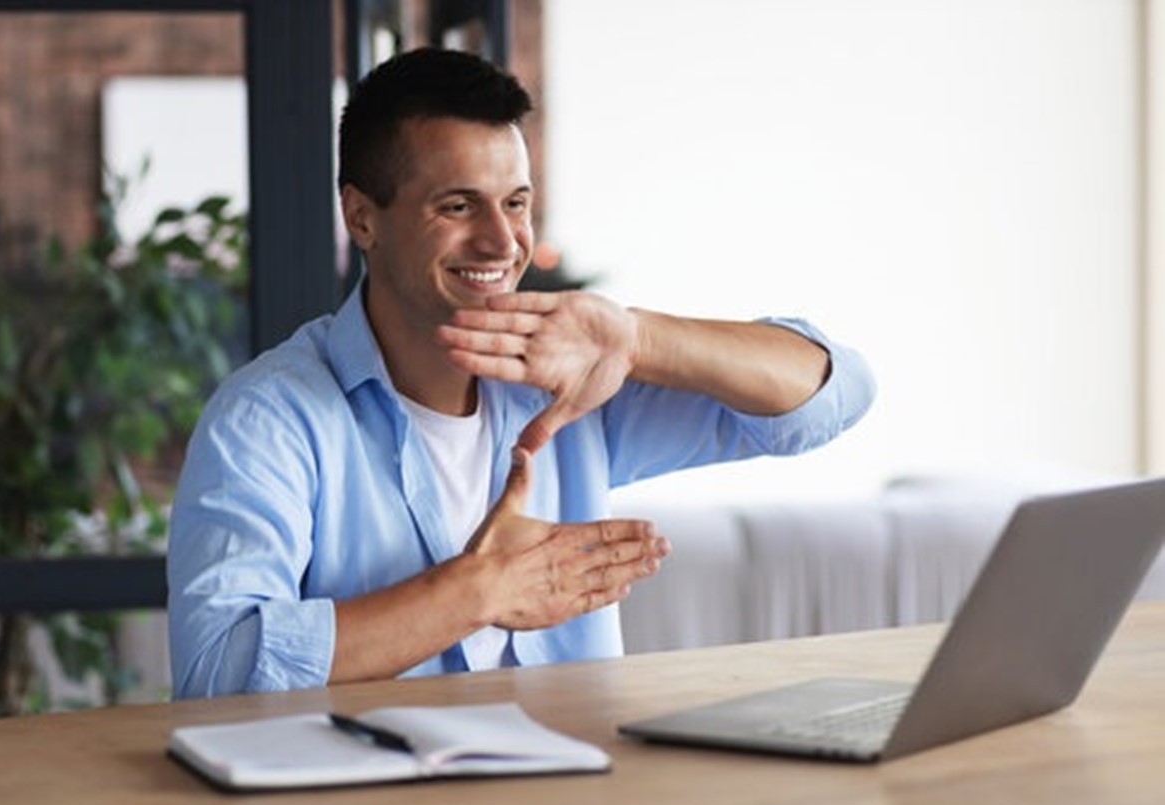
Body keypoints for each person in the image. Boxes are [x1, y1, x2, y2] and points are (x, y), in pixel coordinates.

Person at [167, 48, 874, 698]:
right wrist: (478, 591)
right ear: (361, 218)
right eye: (457, 205)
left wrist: (636, 338)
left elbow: (827, 397)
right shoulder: (269, 416)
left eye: (516, 202)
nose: (503, 242)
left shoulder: (570, 376)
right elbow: (217, 670)